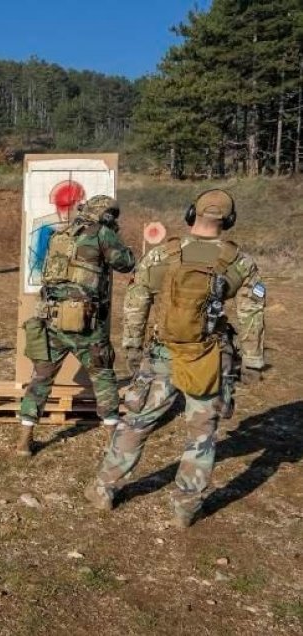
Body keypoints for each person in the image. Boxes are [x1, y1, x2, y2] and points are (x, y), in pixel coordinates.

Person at [84, 189, 267, 527]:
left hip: (163, 354)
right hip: (210, 358)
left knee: (138, 421)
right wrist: (253, 360)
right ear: (228, 221)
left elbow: (136, 301)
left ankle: (103, 489)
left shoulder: (162, 255)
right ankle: (185, 508)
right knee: (201, 434)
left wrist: (132, 346)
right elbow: (252, 313)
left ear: (190, 213)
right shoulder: (239, 262)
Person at [17, 195, 136, 456]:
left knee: (41, 378)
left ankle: (24, 441)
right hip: (87, 323)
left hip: (52, 318)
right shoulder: (103, 234)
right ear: (107, 215)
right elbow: (125, 263)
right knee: (103, 376)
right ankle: (112, 440)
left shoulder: (60, 234)